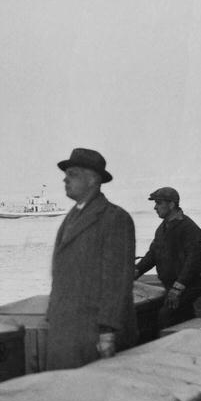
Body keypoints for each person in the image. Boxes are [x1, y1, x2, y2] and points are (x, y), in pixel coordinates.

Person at [46, 147, 137, 370]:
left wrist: (107, 332)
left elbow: (117, 281)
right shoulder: (72, 217)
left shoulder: (115, 219)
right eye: (66, 174)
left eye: (72, 174)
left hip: (93, 335)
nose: (65, 179)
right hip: (65, 331)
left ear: (93, 179)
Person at [135, 186, 201, 329]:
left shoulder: (190, 229)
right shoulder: (162, 229)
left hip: (186, 288)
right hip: (170, 287)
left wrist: (177, 289)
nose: (155, 207)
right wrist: (135, 272)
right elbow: (152, 255)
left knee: (165, 318)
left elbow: (192, 262)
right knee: (183, 319)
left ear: (172, 205)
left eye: (159, 203)